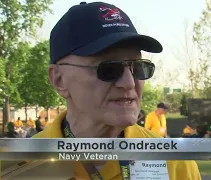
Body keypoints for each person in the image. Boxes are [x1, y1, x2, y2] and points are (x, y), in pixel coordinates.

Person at [28, 2, 200, 179]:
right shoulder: (20, 166)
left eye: (139, 67)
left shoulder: (174, 164)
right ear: (59, 79)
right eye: (108, 68)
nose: (129, 83)